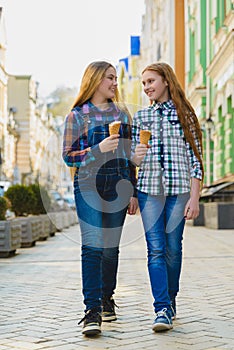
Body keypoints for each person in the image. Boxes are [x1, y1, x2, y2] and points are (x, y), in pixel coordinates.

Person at [62, 61, 138, 336]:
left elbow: (130, 156)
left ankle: (107, 299)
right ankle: (92, 310)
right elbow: (69, 156)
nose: (115, 83)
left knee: (110, 250)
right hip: (88, 186)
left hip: (118, 186)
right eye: (110, 78)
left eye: (116, 78)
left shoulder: (123, 114)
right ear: (95, 81)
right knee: (92, 247)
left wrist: (133, 189)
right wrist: (97, 148)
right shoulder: (77, 116)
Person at [131, 62, 203, 332]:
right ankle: (161, 308)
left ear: (166, 81)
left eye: (151, 81)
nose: (147, 87)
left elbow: (196, 160)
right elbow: (134, 160)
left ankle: (170, 301)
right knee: (156, 249)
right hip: (149, 191)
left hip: (178, 191)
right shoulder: (140, 119)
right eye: (144, 83)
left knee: (173, 248)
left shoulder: (186, 115)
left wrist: (194, 198)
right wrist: (134, 158)